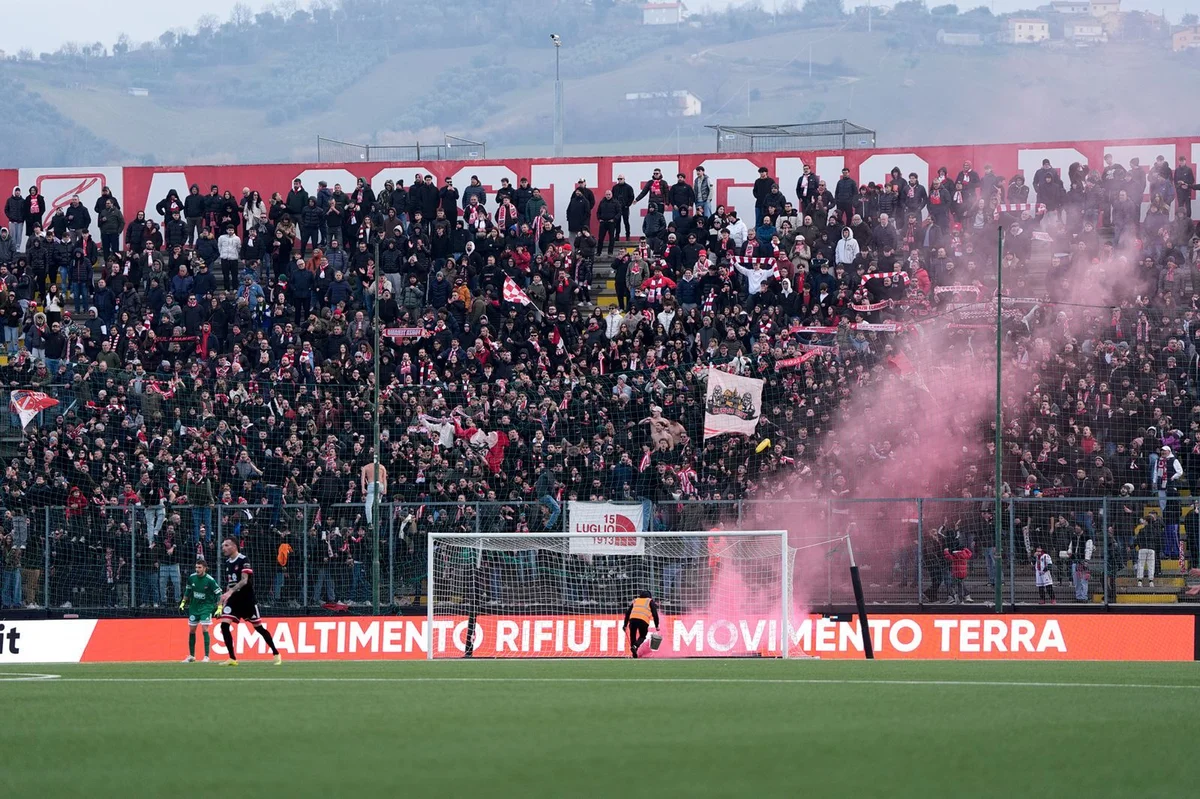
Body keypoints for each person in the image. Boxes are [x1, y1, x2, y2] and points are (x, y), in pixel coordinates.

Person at [216, 537, 282, 665]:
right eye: (223, 545)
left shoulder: (243, 559)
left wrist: (230, 591)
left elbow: (244, 580)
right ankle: (232, 658)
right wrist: (224, 598)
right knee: (224, 625)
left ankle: (276, 653)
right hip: (234, 600)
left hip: (247, 600)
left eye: (226, 545)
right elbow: (230, 583)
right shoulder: (228, 562)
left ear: (234, 546)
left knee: (259, 628)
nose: (223, 548)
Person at [180, 557, 221, 663]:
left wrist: (219, 607)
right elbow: (188, 591)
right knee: (192, 630)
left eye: (199, 567)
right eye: (196, 567)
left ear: (205, 568)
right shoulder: (191, 578)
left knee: (204, 629)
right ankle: (191, 656)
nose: (197, 569)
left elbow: (219, 594)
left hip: (206, 607)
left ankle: (206, 656)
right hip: (194, 607)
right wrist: (183, 603)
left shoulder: (210, 580)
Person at [622, 589, 660, 658]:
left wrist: (625, 625)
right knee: (642, 636)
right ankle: (635, 646)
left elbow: (628, 613)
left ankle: (634, 653)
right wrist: (657, 625)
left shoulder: (636, 600)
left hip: (632, 619)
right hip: (643, 620)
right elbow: (655, 614)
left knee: (632, 636)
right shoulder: (649, 601)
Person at [361, 459, 388, 526]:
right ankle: (378, 520)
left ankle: (369, 522)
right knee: (377, 504)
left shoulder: (366, 467)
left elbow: (363, 479)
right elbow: (384, 479)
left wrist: (363, 488)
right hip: (380, 485)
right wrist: (385, 489)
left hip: (372, 485)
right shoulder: (382, 467)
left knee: (368, 506)